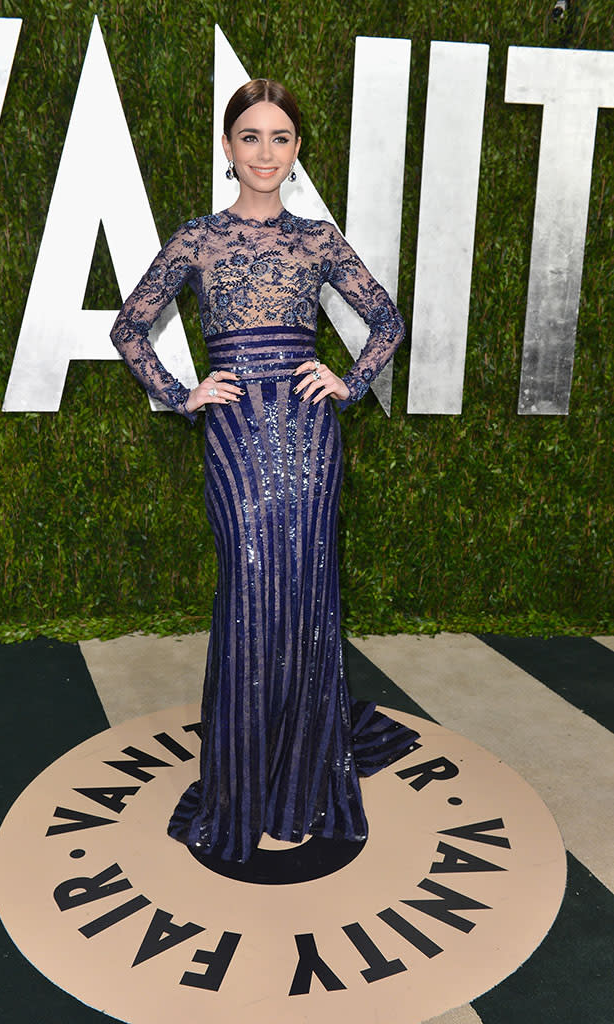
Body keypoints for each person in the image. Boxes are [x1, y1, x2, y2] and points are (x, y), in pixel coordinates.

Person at [111, 79, 419, 863]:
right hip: (235, 433)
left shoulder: (316, 240)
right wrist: (184, 395)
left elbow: (387, 319)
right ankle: (244, 778)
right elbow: (129, 328)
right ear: (227, 148)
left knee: (307, 589)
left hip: (310, 433)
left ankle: (303, 771)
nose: (265, 153)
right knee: (249, 590)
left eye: (280, 138)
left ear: (296, 151)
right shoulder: (196, 239)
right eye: (250, 137)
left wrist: (347, 384)